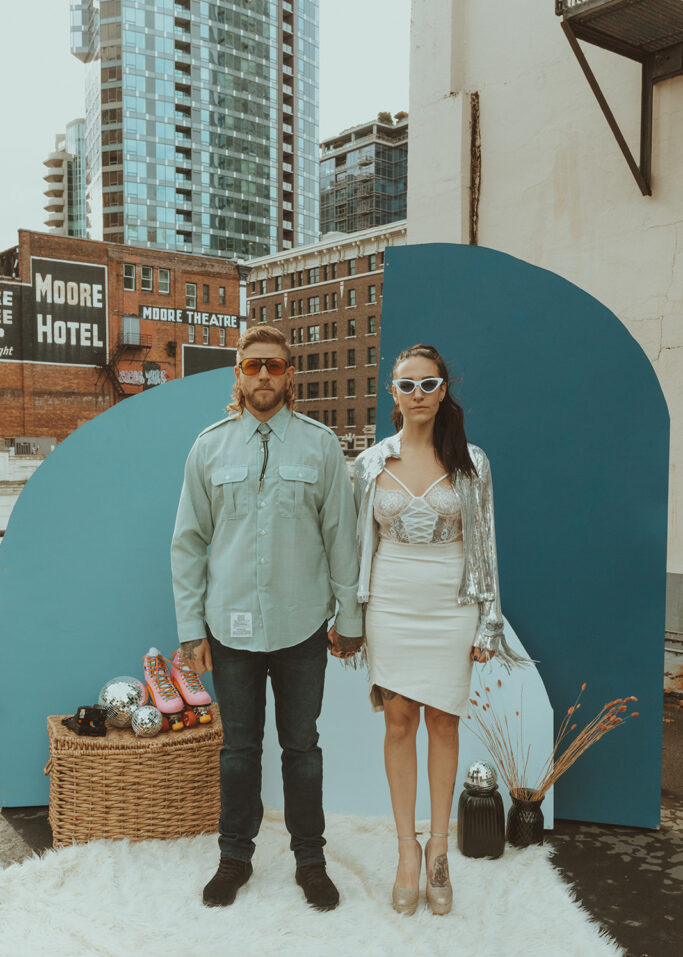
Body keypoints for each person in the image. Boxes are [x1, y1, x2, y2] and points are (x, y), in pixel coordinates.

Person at [171, 325, 363, 911]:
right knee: (238, 749)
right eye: (252, 366)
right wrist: (190, 630)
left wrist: (349, 617)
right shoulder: (209, 446)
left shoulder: (320, 446)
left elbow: (341, 538)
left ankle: (311, 861)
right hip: (229, 629)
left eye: (273, 366)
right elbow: (188, 541)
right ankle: (234, 859)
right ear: (238, 373)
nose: (262, 376)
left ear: (289, 375)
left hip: (302, 626)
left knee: (302, 748)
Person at [353, 344, 531, 916]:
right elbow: (360, 545)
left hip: (452, 603)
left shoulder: (472, 461)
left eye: (429, 384)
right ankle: (406, 850)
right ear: (392, 394)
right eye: (407, 386)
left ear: (444, 389)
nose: (419, 395)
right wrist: (351, 617)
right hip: (391, 599)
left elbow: (486, 548)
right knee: (399, 722)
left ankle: (438, 848)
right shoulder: (370, 464)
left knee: (445, 723)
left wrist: (488, 619)